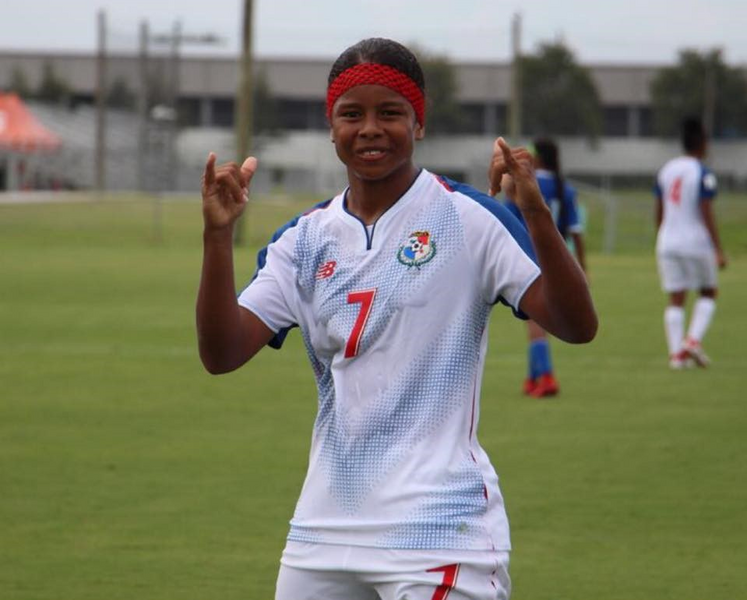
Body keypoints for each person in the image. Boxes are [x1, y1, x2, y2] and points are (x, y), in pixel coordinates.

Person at [197, 38, 597, 600]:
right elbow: (221, 354)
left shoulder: (468, 219)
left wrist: (533, 211)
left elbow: (577, 324)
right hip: (324, 532)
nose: (369, 129)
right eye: (351, 114)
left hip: (438, 531)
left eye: (390, 113)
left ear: (419, 122)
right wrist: (218, 238)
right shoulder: (303, 240)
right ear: (330, 125)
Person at [500, 138, 587, 397]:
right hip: (561, 259)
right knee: (534, 319)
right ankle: (533, 376)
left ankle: (547, 376)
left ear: (537, 159)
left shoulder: (526, 186)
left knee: (535, 320)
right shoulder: (565, 188)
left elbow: (507, 223)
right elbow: (576, 230)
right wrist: (582, 267)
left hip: (532, 257)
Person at [654, 117, 726, 369]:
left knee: (676, 298)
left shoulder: (667, 169)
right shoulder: (702, 171)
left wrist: (661, 235)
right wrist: (718, 248)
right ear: (702, 143)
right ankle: (693, 341)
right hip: (695, 241)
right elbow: (705, 210)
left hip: (667, 241)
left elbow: (659, 209)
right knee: (708, 291)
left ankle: (676, 355)